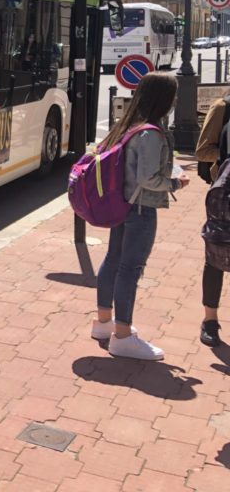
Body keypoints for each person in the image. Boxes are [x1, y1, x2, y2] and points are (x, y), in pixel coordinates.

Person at [92, 72, 189, 360]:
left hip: (122, 204)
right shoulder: (151, 133)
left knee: (113, 260)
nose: (174, 102)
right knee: (130, 269)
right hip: (141, 208)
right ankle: (122, 336)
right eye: (172, 96)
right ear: (163, 99)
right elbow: (148, 178)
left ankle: (103, 322)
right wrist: (174, 183)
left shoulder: (129, 126)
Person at [195, 93, 230, 346]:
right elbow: (203, 151)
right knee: (216, 257)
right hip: (225, 195)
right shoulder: (223, 107)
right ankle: (210, 320)